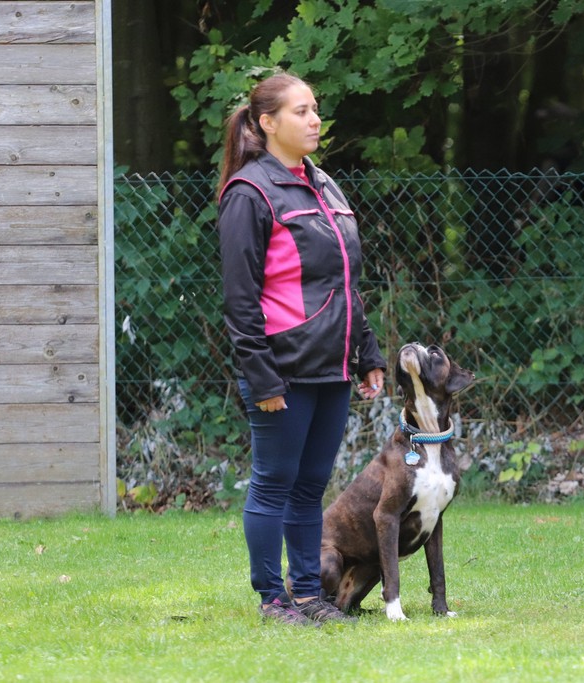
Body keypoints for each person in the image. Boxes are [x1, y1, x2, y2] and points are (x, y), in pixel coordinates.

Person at [216, 72, 386, 626]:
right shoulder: (249, 193)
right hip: (281, 370)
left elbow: (346, 281)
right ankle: (273, 599)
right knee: (273, 484)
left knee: (310, 487)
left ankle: (309, 596)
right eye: (301, 111)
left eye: (316, 109)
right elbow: (240, 300)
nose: (315, 120)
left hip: (332, 369)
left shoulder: (326, 185)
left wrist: (367, 352)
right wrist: (262, 377)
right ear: (267, 123)